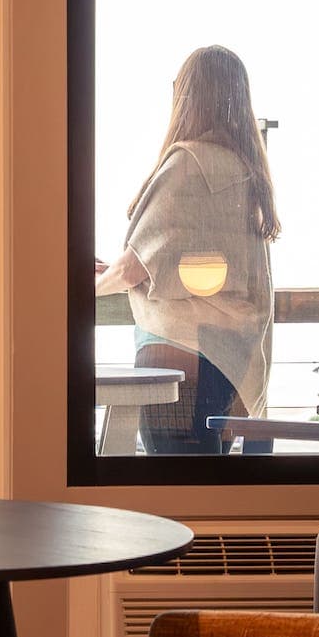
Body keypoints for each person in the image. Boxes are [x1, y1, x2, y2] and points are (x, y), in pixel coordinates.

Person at [95, 46, 278, 454]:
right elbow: (195, 257)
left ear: (187, 97)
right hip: (229, 365)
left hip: (178, 359)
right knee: (208, 493)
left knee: (173, 492)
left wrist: (89, 284)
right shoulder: (245, 171)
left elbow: (135, 268)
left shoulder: (186, 165)